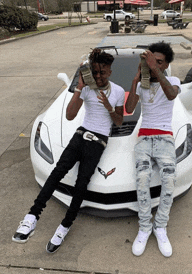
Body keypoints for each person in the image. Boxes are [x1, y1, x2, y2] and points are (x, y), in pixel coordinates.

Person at [12, 48, 125, 253]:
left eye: (102, 72)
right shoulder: (88, 88)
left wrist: (109, 106)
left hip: (98, 142)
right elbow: (70, 116)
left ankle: (64, 226)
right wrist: (80, 89)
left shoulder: (117, 91)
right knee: (57, 173)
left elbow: (118, 121)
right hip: (80, 135)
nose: (98, 76)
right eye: (95, 72)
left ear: (110, 71)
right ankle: (32, 217)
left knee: (81, 184)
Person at [125, 41, 181, 258]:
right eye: (150, 61)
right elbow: (129, 110)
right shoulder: (142, 84)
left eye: (158, 62)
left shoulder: (173, 81)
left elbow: (171, 95)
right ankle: (145, 226)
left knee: (169, 180)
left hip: (165, 137)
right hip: (144, 138)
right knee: (142, 178)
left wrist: (154, 68)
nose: (153, 65)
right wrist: (135, 81)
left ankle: (160, 226)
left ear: (166, 65)